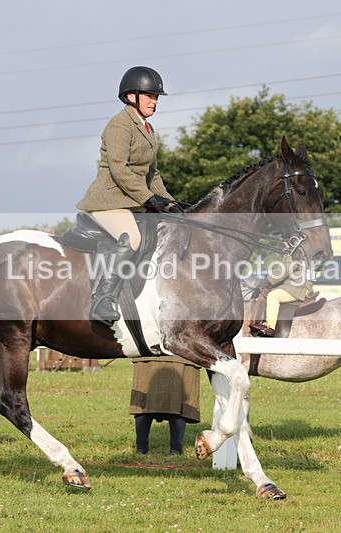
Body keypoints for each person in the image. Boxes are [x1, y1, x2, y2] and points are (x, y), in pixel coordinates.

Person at [76, 66, 183, 326]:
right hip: (109, 201)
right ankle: (103, 299)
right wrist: (149, 199)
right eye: (149, 96)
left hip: (134, 202)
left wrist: (170, 204)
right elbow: (119, 169)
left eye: (156, 97)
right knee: (131, 238)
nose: (154, 101)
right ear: (131, 96)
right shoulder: (119, 125)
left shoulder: (147, 128)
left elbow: (153, 175)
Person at [129, 354, 201, 455]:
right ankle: (144, 447)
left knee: (147, 398)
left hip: (163, 352)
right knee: (173, 400)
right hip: (166, 351)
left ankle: (143, 448)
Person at [249, 255, 315, 337]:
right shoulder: (303, 255)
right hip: (300, 287)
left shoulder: (295, 256)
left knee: (273, 296)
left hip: (298, 289)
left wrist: (268, 281)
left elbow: (282, 272)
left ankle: (270, 327)